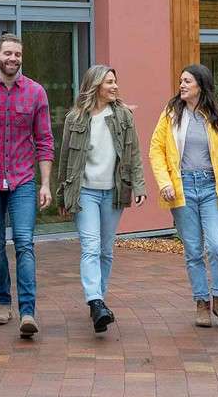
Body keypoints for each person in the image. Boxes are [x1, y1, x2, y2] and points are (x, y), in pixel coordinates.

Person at [149, 64, 218, 330]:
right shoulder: (170, 115)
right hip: (182, 189)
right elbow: (156, 151)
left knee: (217, 245)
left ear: (201, 86)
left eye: (187, 81)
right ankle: (201, 304)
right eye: (181, 81)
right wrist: (164, 182)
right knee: (193, 250)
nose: (181, 85)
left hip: (211, 188)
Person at [0, 33, 54, 338]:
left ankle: (27, 311)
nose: (13, 59)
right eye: (8, 53)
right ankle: (3, 302)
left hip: (23, 180)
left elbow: (44, 141)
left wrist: (45, 183)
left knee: (24, 243)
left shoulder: (35, 92)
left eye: (17, 54)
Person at [55, 65, 147, 333]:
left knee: (106, 250)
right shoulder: (76, 118)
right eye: (109, 82)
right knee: (91, 247)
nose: (115, 86)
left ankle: (99, 301)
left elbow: (134, 155)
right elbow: (65, 160)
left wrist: (139, 186)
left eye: (115, 81)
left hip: (113, 191)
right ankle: (95, 301)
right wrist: (63, 196)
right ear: (95, 85)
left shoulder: (123, 117)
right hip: (85, 191)